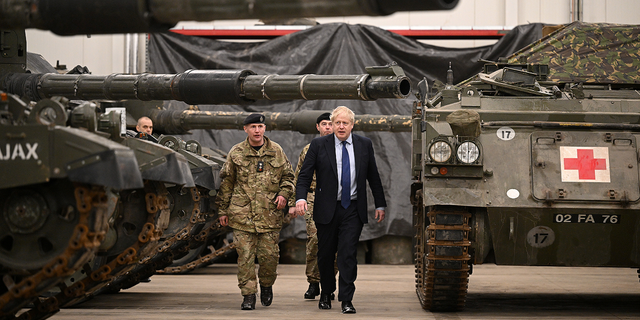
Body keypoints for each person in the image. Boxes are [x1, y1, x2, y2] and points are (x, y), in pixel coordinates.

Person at [295, 106, 386, 314]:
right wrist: (300, 198)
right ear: (332, 125)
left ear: (352, 125)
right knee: (325, 254)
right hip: (327, 208)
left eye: (345, 123)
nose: (341, 126)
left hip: (353, 208)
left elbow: (373, 176)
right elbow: (304, 175)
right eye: (337, 123)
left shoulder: (364, 145)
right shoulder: (319, 145)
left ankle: (347, 299)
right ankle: (326, 292)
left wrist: (380, 204)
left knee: (347, 253)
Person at [216, 113, 295, 310]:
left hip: (269, 214)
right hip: (242, 215)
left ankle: (266, 285)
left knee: (269, 258)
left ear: (265, 128)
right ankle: (248, 294)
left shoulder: (276, 151)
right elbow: (227, 183)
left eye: (260, 126)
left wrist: (284, 194)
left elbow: (288, 177)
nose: (257, 130)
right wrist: (222, 210)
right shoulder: (236, 153)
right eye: (252, 127)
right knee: (245, 257)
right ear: (246, 129)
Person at [287, 112, 336, 300]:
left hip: (335, 199)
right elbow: (299, 177)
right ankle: (313, 282)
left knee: (336, 244)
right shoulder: (310, 149)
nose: (328, 127)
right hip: (314, 197)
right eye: (324, 124)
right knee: (316, 239)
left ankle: (328, 284)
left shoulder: (343, 148)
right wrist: (295, 202)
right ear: (318, 127)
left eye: (331, 124)